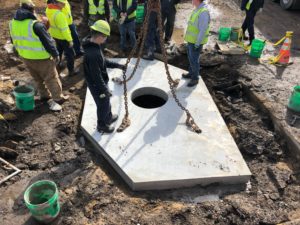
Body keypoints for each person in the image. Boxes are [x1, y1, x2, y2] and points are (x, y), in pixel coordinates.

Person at [9, 0, 69, 111]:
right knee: (51, 78)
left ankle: (44, 96)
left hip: (26, 57)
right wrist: (55, 54)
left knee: (37, 78)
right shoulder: (36, 25)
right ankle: (58, 98)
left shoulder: (12, 23)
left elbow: (13, 40)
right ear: (32, 10)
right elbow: (48, 42)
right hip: (42, 58)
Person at [83, 20, 126, 133]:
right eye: (105, 37)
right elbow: (96, 76)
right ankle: (102, 125)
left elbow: (103, 61)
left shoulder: (94, 46)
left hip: (99, 83)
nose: (106, 39)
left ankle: (109, 117)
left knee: (106, 102)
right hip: (97, 86)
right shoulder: (92, 54)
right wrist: (104, 89)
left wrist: (118, 66)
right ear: (100, 36)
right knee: (102, 105)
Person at [182, 0, 210, 87]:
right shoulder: (197, 9)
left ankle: (195, 78)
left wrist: (197, 43)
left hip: (195, 42)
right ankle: (191, 73)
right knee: (191, 58)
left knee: (194, 60)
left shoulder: (203, 12)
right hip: (191, 40)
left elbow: (203, 30)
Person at [46, 0, 77, 76]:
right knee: (70, 54)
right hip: (63, 37)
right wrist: (70, 40)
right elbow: (65, 30)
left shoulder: (48, 9)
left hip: (55, 35)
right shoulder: (59, 14)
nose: (64, 5)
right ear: (56, 3)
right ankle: (71, 71)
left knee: (59, 51)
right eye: (62, 3)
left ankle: (57, 66)